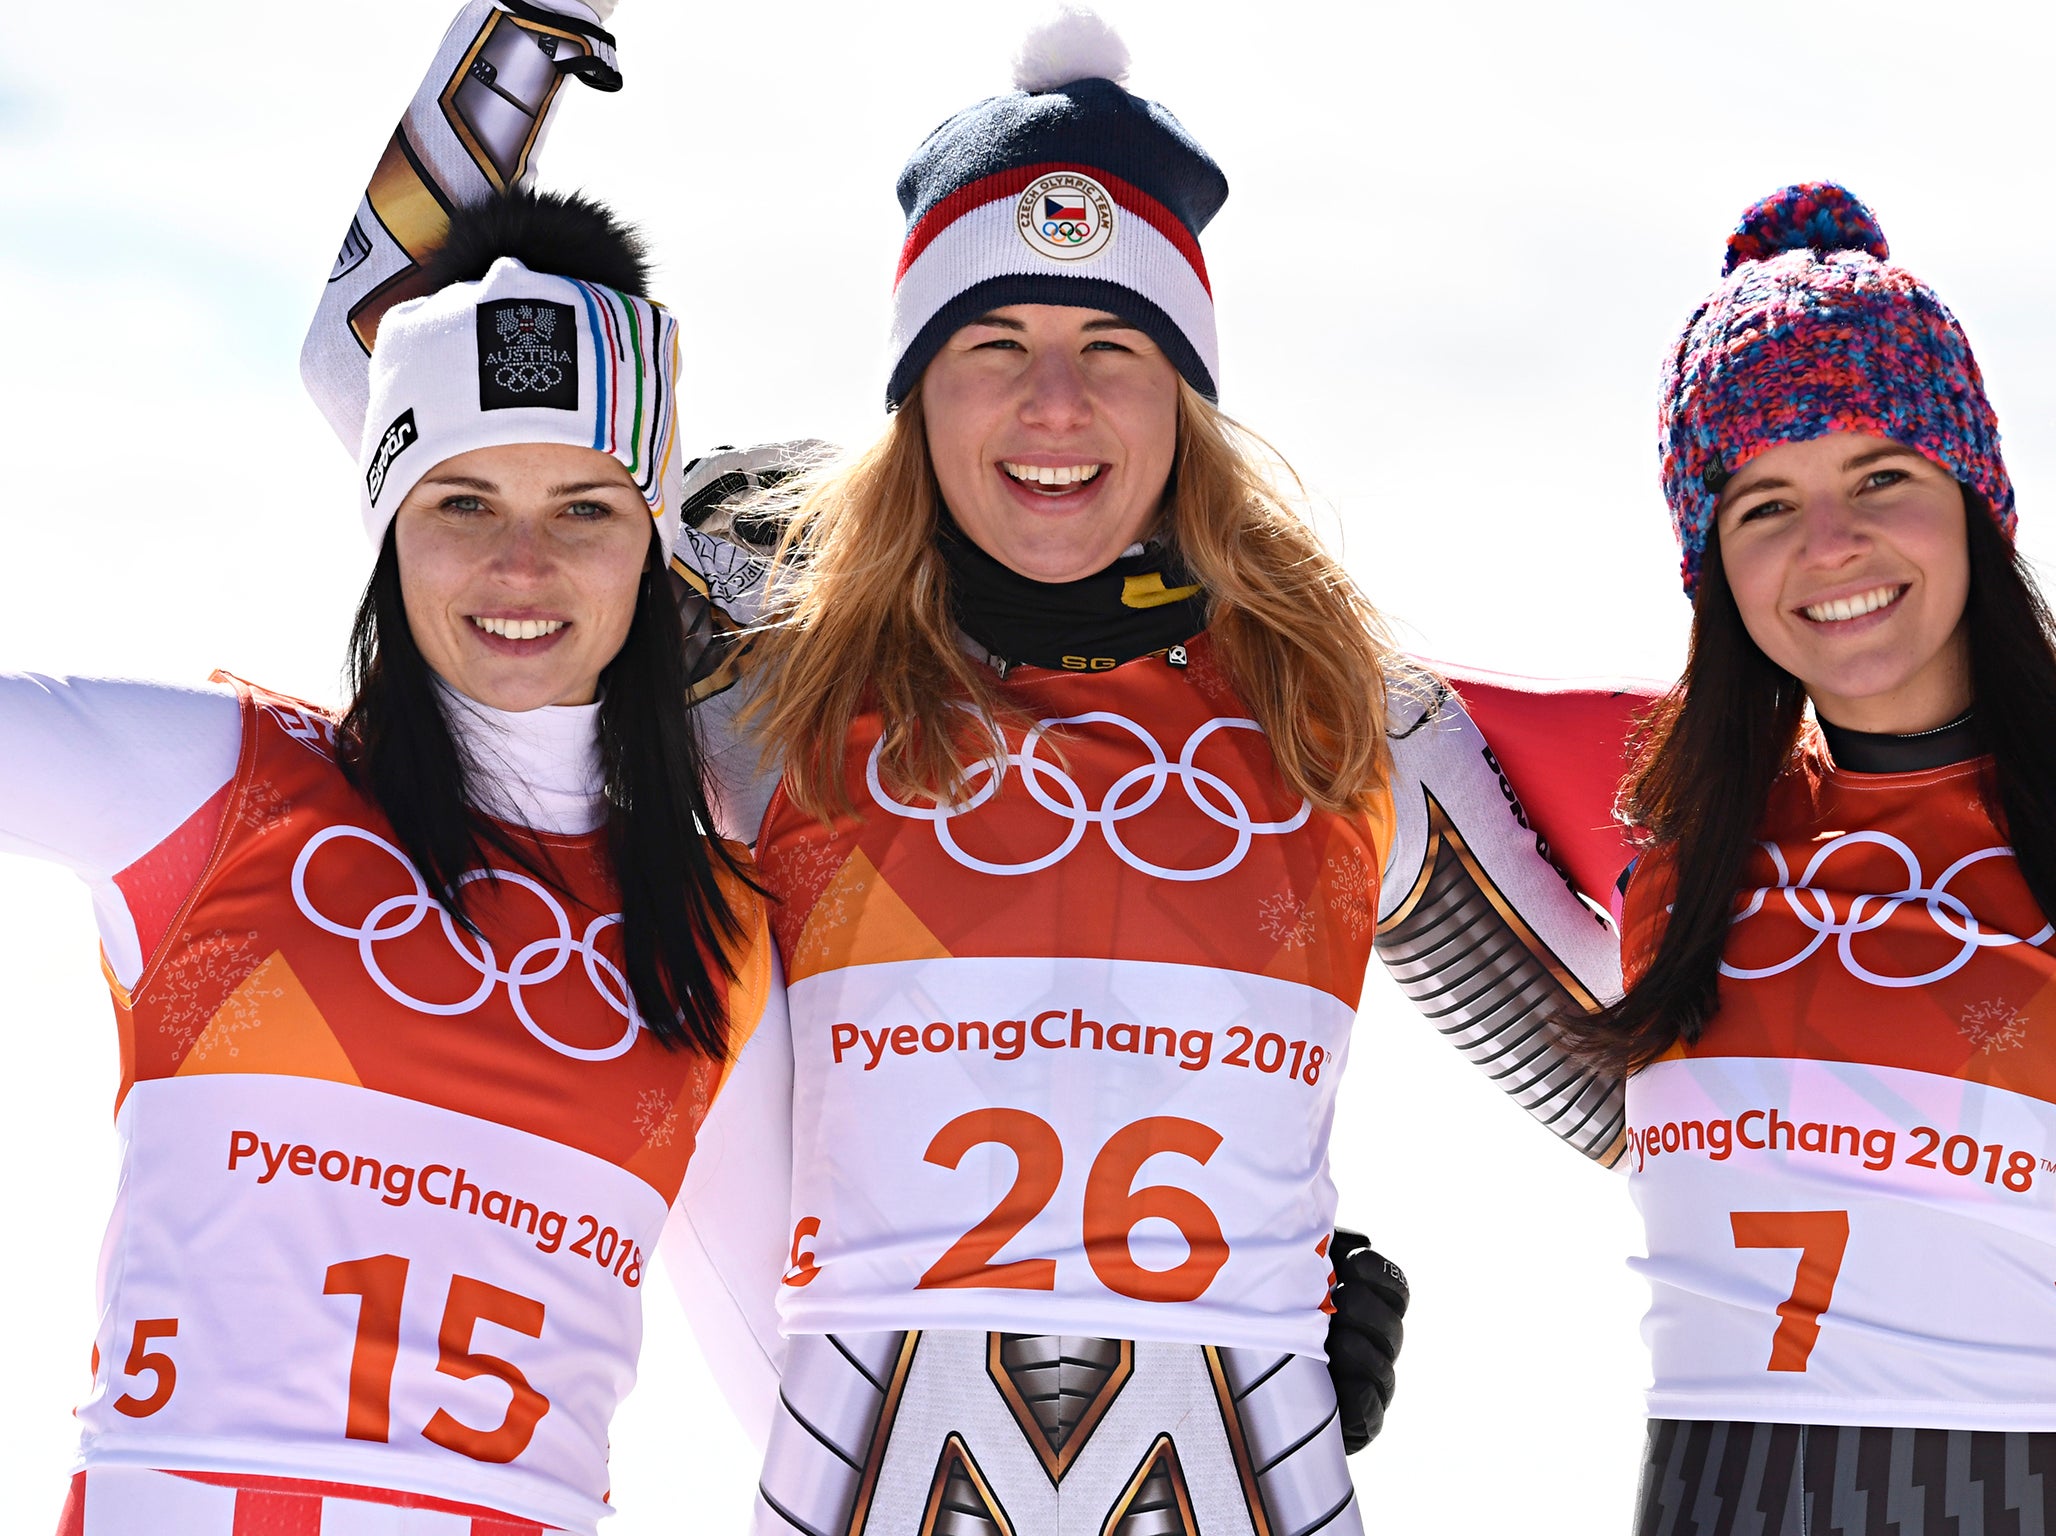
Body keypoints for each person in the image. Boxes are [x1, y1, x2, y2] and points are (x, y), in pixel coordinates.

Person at [302, 9, 1631, 1531]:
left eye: (1112, 347)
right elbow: (385, 383)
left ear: (1188, 390)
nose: (1051, 407)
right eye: (990, 342)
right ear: (913, 384)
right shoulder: (758, 638)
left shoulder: (1340, 708)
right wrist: (515, 45)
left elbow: (1647, 1092)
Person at [23, 192, 790, 1535]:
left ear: (652, 550)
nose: (521, 564)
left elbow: (807, 1388)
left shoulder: (713, 939)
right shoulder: (215, 792)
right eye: (463, 499)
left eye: (585, 510)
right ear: (389, 526)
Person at [1557, 182, 2056, 1533]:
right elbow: (1331, 698)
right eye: (1763, 503)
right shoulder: (1665, 830)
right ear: (1711, 560)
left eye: (1881, 476)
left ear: (1974, 499)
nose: (1829, 546)